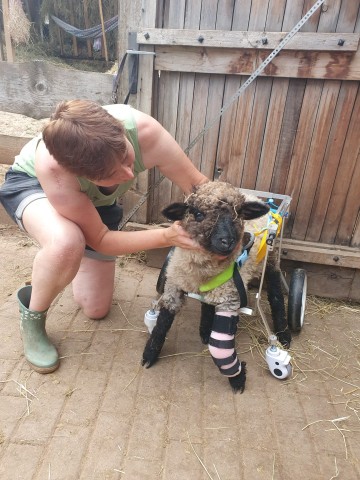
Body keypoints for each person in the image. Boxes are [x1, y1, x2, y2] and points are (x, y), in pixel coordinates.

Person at [0, 99, 208, 374]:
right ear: (78, 173)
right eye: (109, 175)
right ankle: (33, 317)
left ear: (121, 131)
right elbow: (100, 239)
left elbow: (199, 186)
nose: (125, 175)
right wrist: (168, 236)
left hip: (91, 204)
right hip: (33, 186)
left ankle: (64, 264)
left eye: (125, 158)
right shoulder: (55, 170)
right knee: (66, 243)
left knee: (96, 309)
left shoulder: (145, 131)